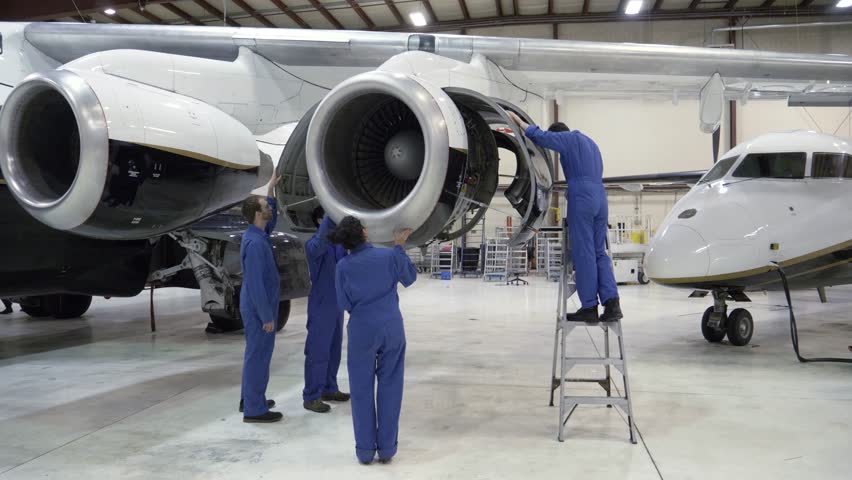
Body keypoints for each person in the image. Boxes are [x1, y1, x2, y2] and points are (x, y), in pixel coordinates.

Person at [507, 111, 622, 323]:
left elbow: (541, 136)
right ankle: (612, 302)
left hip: (583, 197)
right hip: (600, 196)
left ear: (559, 135)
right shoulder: (591, 144)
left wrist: (519, 122)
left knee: (584, 252)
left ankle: (589, 307)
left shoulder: (569, 139)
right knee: (599, 252)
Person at [330, 217, 417, 465]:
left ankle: (365, 451)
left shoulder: (343, 266)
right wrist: (399, 245)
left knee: (360, 390)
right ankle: (387, 449)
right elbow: (409, 278)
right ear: (365, 233)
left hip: (361, 330)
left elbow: (343, 303)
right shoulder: (388, 256)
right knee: (390, 386)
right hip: (391, 327)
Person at [238, 173, 283, 423]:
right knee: (259, 356)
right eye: (265, 207)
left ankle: (250, 398)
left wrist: (270, 191)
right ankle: (255, 410)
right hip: (258, 308)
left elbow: (272, 219)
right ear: (257, 214)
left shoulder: (258, 234)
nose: (268, 209)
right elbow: (255, 285)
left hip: (257, 305)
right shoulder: (255, 244)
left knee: (254, 354)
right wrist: (266, 316)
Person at [302, 207, 350, 413]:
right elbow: (320, 241)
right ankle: (311, 396)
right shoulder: (314, 245)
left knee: (334, 350)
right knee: (318, 351)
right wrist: (332, 210)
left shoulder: (337, 246)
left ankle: (329, 388)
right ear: (322, 221)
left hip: (337, 305)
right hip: (321, 304)